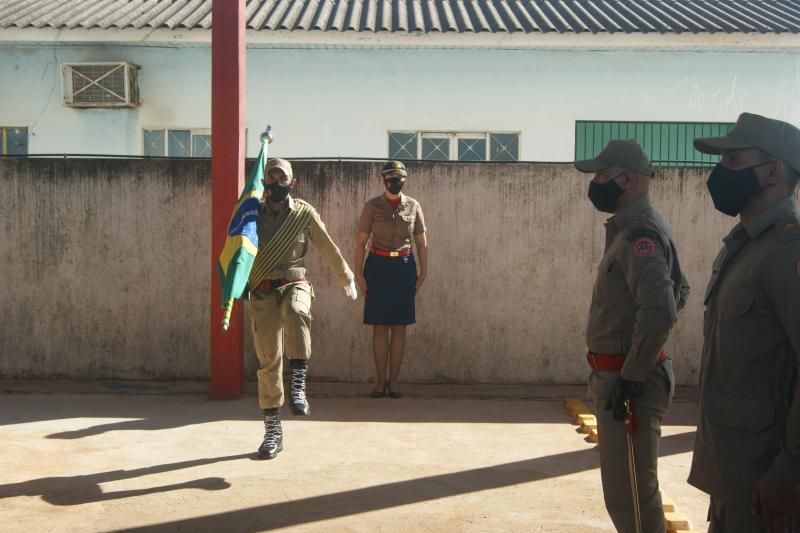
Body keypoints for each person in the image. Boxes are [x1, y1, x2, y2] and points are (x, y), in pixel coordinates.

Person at [689, 112, 800, 532]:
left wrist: (789, 472)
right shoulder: (745, 247)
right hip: (734, 471)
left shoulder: (787, 252)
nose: (720, 173)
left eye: (733, 160)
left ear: (772, 171)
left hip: (767, 482)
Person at [575, 139, 689, 533]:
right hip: (622, 375)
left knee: (634, 504)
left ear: (627, 179)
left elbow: (661, 310)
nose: (596, 183)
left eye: (602, 176)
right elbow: (680, 291)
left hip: (629, 382)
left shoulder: (640, 233)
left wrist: (632, 373)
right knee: (626, 497)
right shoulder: (634, 229)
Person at [247, 158, 358, 460]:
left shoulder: (304, 214)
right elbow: (234, 251)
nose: (275, 182)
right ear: (264, 181)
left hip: (295, 283)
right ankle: (273, 431)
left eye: (282, 178)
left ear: (292, 183)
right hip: (262, 291)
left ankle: (298, 383)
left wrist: (345, 277)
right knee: (268, 362)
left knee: (297, 312)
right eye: (270, 176)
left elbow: (327, 246)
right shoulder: (250, 212)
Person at [354, 161, 427, 399]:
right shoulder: (372, 206)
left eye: (399, 177)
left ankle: (393, 382)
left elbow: (421, 242)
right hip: (377, 267)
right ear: (384, 179)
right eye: (390, 177)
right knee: (379, 327)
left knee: (399, 327)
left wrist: (423, 271)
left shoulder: (413, 206)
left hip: (403, 268)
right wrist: (358, 274)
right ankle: (379, 382)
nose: (394, 181)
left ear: (404, 179)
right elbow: (361, 242)